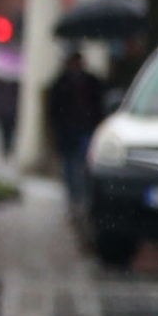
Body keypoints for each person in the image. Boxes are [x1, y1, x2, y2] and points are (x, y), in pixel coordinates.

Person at [45, 48, 108, 210]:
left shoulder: (91, 82)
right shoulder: (61, 83)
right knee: (70, 166)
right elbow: (54, 110)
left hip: (86, 128)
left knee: (84, 163)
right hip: (68, 131)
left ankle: (83, 197)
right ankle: (75, 197)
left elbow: (98, 105)